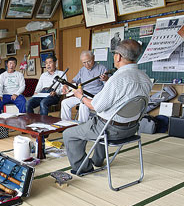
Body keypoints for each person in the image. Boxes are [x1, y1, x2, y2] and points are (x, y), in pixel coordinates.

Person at [63, 39, 152, 174]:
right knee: (101, 121)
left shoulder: (117, 78)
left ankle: (83, 168)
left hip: (111, 130)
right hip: (132, 129)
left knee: (69, 134)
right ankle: (98, 160)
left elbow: (94, 106)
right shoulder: (145, 77)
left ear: (118, 56)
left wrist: (79, 96)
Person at [60, 50, 108, 123]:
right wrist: (66, 85)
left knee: (83, 104)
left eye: (89, 61)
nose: (86, 65)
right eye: (84, 62)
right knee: (65, 102)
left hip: (94, 96)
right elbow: (74, 81)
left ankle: (82, 127)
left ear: (93, 58)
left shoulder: (102, 68)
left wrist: (105, 79)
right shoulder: (82, 70)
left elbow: (108, 86)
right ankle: (65, 125)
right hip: (82, 94)